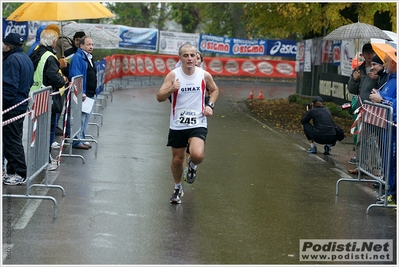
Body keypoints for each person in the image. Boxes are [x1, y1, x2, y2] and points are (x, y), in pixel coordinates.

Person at [157, 42, 219, 204]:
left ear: (196, 57)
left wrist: (209, 105)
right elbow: (159, 97)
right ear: (180, 58)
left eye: (192, 55)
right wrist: (171, 89)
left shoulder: (204, 75)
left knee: (197, 154)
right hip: (178, 124)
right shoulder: (173, 75)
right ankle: (177, 188)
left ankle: (192, 164)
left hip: (198, 122)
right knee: (177, 160)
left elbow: (215, 90)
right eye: (186, 55)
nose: (190, 58)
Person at [30, 29, 69, 170]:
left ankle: (40, 159)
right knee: (46, 131)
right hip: (47, 98)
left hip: (36, 96)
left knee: (38, 130)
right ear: (53, 41)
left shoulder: (36, 51)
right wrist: (63, 78)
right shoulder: (49, 56)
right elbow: (54, 77)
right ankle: (44, 160)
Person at [2, 33, 35, 185]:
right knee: (12, 139)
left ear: (8, 46)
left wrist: (3, 104)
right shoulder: (24, 57)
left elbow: (9, 86)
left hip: (12, 106)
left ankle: (20, 173)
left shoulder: (12, 60)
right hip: (20, 103)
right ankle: (11, 171)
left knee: (12, 140)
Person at [369, 52, 397, 205]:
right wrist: (378, 95)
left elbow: (395, 104)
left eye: (385, 62)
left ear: (393, 63)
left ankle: (392, 194)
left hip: (394, 130)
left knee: (393, 164)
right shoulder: (389, 80)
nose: (384, 65)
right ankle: (389, 192)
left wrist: (382, 100)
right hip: (386, 127)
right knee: (387, 162)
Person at [347, 43, 378, 172]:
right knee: (360, 139)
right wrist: (355, 79)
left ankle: (377, 168)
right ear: (363, 55)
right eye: (368, 53)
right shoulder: (358, 69)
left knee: (376, 140)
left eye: (372, 52)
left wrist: (377, 77)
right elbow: (352, 89)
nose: (370, 55)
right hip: (362, 109)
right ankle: (361, 166)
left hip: (376, 110)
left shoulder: (379, 68)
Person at [69, 36, 97, 150]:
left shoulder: (88, 57)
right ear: (81, 45)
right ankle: (77, 141)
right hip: (84, 94)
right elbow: (76, 75)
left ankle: (82, 138)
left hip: (91, 93)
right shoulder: (78, 57)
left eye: (92, 44)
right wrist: (82, 92)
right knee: (79, 118)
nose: (91, 47)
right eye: (88, 44)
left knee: (85, 119)